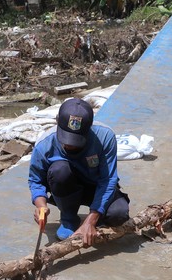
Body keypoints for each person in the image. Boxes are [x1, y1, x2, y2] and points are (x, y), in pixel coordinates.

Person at [28, 98, 130, 247]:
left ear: (89, 128)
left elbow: (108, 180)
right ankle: (69, 218)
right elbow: (35, 180)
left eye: (76, 140)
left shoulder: (105, 137)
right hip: (66, 189)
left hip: (96, 189)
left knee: (119, 214)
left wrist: (91, 221)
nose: (69, 145)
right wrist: (41, 205)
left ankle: (95, 218)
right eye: (66, 138)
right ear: (57, 122)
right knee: (59, 170)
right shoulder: (44, 144)